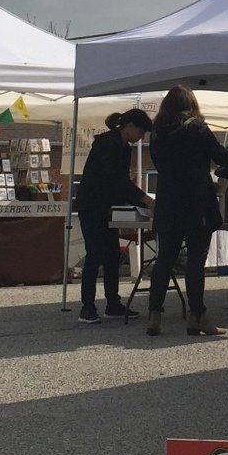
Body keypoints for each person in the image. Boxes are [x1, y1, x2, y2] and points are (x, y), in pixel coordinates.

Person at [146, 87, 228, 337]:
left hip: (167, 200)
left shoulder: (156, 132)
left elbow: (161, 164)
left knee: (165, 259)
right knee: (195, 262)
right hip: (196, 203)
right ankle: (198, 315)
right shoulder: (196, 127)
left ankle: (155, 314)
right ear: (191, 104)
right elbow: (222, 157)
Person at [73, 109, 153, 324]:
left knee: (111, 255)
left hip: (107, 207)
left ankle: (113, 303)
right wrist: (144, 199)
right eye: (141, 132)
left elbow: (120, 181)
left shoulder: (123, 147)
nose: (142, 138)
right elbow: (117, 180)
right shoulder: (107, 144)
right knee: (94, 255)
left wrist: (131, 203)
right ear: (129, 127)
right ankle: (87, 308)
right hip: (91, 206)